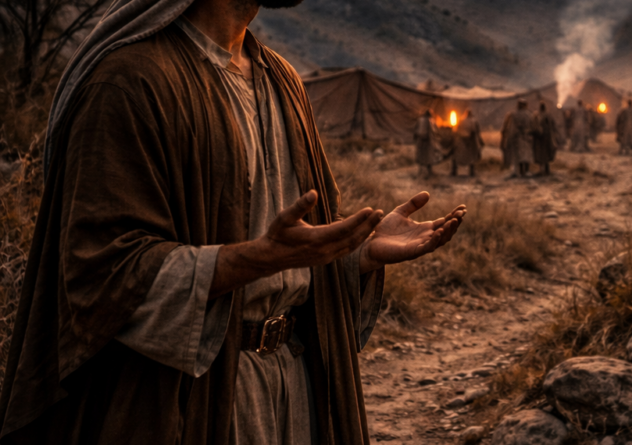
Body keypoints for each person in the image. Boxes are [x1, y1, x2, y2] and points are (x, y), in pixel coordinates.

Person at [0, 0, 467, 444]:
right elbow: (101, 274)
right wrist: (254, 260)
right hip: (201, 399)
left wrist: (357, 253)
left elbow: (292, 266)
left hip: (297, 385)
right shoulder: (130, 83)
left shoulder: (282, 79)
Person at [501, 99, 535, 178]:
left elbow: (509, 127)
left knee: (519, 155)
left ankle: (520, 171)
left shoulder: (512, 114)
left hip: (517, 138)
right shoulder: (529, 114)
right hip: (526, 137)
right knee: (525, 155)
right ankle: (525, 171)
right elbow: (532, 125)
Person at [451, 110, 483, 177]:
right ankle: (471, 172)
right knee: (471, 157)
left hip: (461, 142)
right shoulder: (474, 121)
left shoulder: (461, 120)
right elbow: (476, 132)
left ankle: (454, 171)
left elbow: (457, 131)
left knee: (457, 157)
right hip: (470, 143)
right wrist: (480, 142)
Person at [532, 101, 559, 176]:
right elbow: (553, 125)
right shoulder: (548, 115)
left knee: (541, 154)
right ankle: (546, 170)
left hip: (541, 138)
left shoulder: (537, 115)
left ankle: (542, 170)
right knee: (545, 154)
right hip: (546, 137)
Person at [414, 109, 440, 178]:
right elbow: (434, 130)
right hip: (429, 142)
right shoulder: (431, 120)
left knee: (421, 156)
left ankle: (421, 171)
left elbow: (415, 130)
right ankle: (428, 171)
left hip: (421, 141)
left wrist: (416, 139)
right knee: (429, 156)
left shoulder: (419, 120)